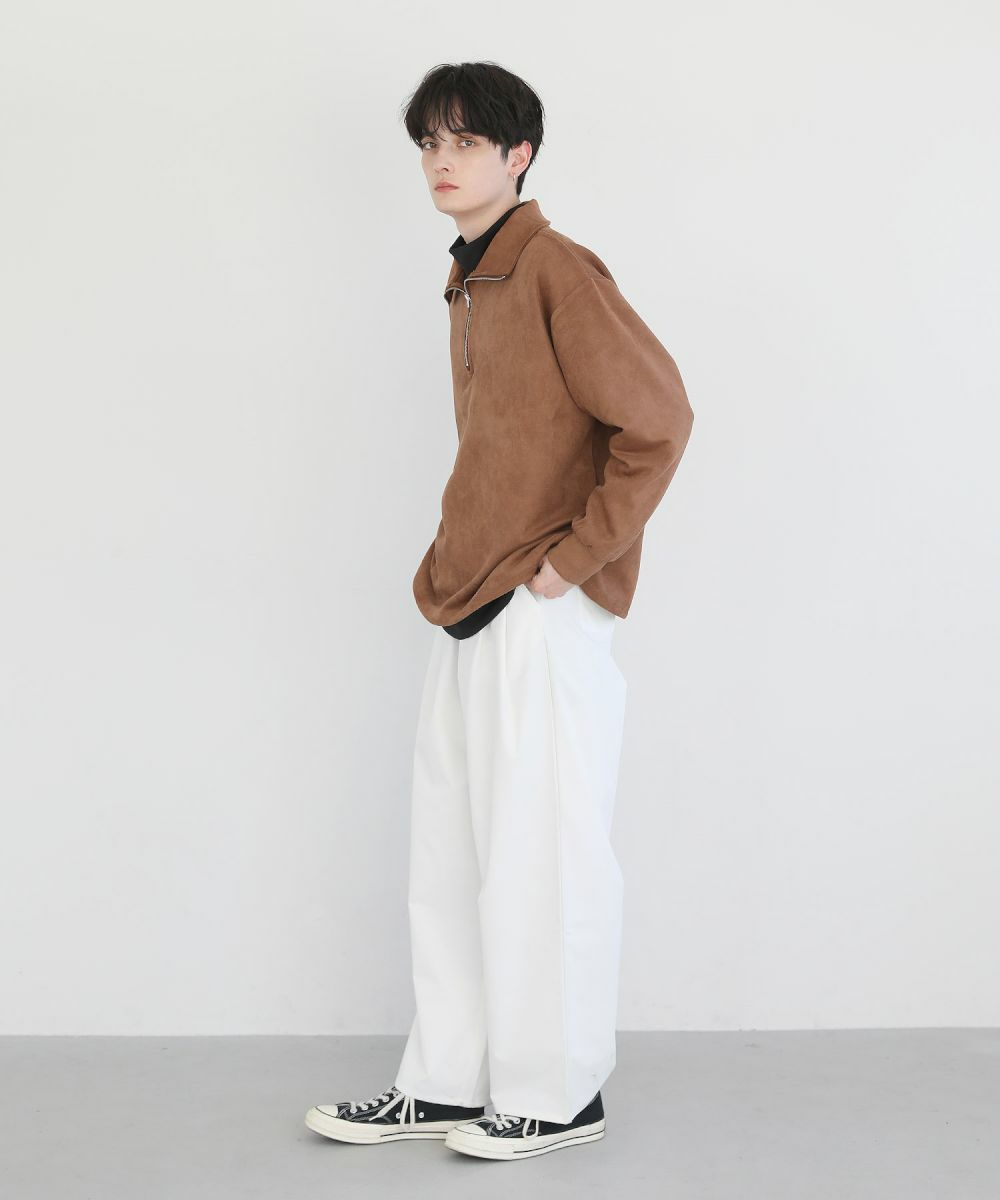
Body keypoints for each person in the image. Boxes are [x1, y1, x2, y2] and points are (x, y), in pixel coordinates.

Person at [305, 60, 694, 1162]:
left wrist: (571, 564)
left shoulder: (555, 268)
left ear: (518, 155)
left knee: (545, 855)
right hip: (469, 600)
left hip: (541, 608)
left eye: (465, 141)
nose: (441, 161)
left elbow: (659, 419)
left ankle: (559, 1094)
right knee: (451, 855)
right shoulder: (471, 278)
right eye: (429, 142)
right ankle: (446, 1081)